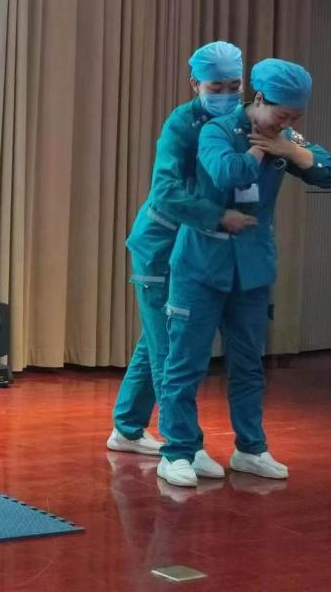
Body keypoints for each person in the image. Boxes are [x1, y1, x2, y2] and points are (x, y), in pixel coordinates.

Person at [156, 58, 331, 487]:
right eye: (282, 116)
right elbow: (227, 173)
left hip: (251, 270)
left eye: (294, 119)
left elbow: (330, 171)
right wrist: (261, 149)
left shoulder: (285, 138)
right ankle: (178, 451)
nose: (287, 124)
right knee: (185, 363)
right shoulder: (218, 130)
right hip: (201, 265)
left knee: (249, 364)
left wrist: (291, 150)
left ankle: (251, 449)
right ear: (259, 99)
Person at [107, 41, 256, 485]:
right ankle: (184, 447)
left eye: (234, 85)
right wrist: (218, 217)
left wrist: (301, 152)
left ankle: (126, 428)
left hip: (196, 252)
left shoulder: (242, 120)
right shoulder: (181, 123)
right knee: (171, 350)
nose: (226, 94)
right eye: (216, 86)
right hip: (160, 246)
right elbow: (167, 191)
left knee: (155, 340)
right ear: (195, 84)